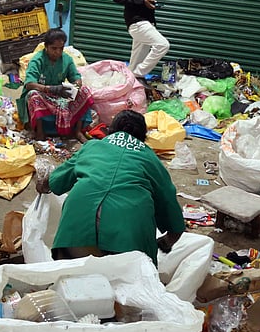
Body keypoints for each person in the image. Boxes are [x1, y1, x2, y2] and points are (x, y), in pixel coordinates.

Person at [37, 110, 185, 264]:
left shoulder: (91, 147)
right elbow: (168, 199)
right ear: (143, 136)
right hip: (128, 241)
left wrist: (43, 183)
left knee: (74, 281)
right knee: (129, 283)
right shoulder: (150, 158)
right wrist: (169, 239)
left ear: (109, 130)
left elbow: (55, 182)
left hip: (75, 234)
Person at [17, 28, 94, 143]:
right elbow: (29, 84)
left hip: (60, 95)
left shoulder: (66, 59)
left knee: (85, 91)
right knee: (33, 95)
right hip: (43, 94)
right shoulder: (37, 60)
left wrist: (75, 86)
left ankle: (77, 131)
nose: (57, 52)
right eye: (54, 48)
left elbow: (76, 77)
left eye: (61, 49)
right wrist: (49, 88)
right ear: (46, 47)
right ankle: (40, 132)